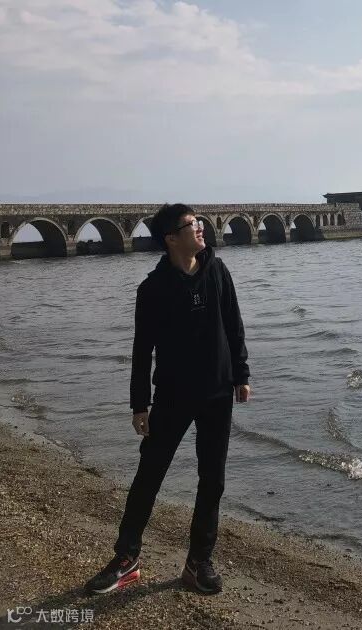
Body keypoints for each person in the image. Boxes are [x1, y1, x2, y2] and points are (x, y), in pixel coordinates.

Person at [84, 203, 250, 595]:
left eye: (199, 222)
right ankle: (126, 557)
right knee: (150, 474)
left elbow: (234, 325)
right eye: (192, 224)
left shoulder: (218, 271)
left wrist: (241, 374)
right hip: (173, 395)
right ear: (171, 238)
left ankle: (198, 562)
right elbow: (142, 350)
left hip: (217, 392)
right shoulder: (153, 289)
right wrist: (139, 404)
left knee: (212, 479)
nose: (201, 228)